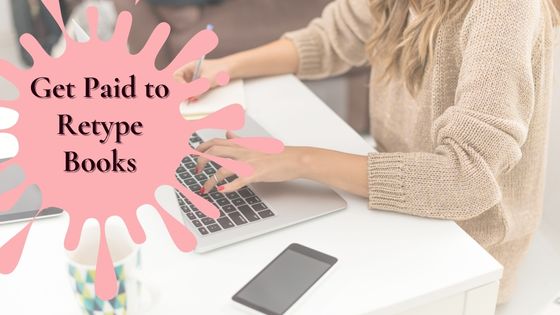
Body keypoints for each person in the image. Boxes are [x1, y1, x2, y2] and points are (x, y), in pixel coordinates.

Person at [173, 0, 559, 303]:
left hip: (466, 247)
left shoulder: (504, 9)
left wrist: (299, 160)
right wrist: (223, 68)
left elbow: (466, 180)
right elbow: (330, 38)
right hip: (398, 209)